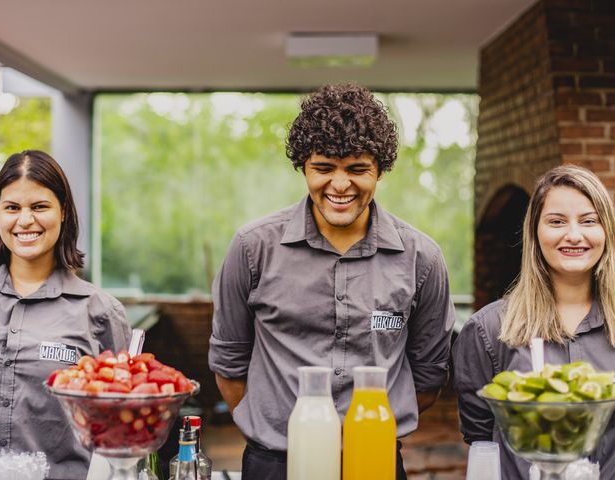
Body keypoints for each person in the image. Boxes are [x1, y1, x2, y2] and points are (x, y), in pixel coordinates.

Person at [208, 83, 456, 479]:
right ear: (303, 166)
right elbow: (229, 363)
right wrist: (273, 427)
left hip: (375, 460)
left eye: (357, 169)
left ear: (380, 170)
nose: (340, 185)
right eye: (324, 168)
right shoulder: (253, 248)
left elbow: (428, 375)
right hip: (275, 463)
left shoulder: (422, 259)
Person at [0, 150, 132, 479]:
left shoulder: (101, 313)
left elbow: (120, 430)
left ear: (63, 212)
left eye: (39, 206)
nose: (25, 220)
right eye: (12, 208)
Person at [453, 165, 615, 479]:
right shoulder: (488, 330)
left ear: (606, 230)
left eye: (588, 221)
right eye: (556, 221)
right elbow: (482, 441)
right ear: (535, 231)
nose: (573, 235)